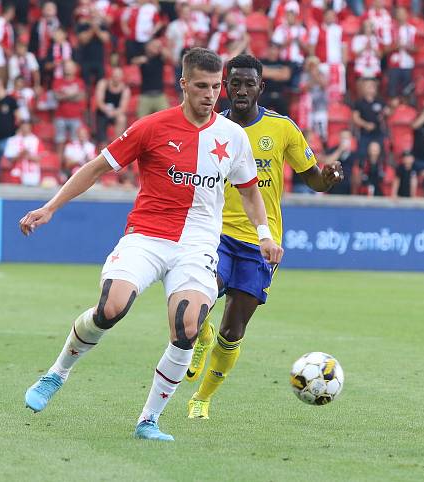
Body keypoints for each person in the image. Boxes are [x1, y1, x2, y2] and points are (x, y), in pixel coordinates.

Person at [20, 48, 282, 442]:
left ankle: (148, 420)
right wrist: (50, 207)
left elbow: (249, 192)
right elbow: (95, 168)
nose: (210, 94)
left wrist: (264, 234)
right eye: (201, 86)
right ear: (183, 85)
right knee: (111, 307)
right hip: (147, 235)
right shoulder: (152, 127)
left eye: (215, 87)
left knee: (188, 326)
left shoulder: (233, 138)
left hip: (197, 245)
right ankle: (57, 374)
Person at [184, 54, 342, 419]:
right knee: (196, 304)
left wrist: (329, 178)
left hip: (261, 243)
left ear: (260, 87)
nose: (240, 90)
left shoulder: (282, 128)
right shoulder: (210, 127)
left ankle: (202, 399)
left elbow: (313, 179)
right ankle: (200, 336)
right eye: (234, 83)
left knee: (234, 328)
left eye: (248, 84)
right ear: (225, 86)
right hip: (217, 234)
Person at [93, 66, 130, 143]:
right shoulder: (103, 83)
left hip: (115, 113)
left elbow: (123, 108)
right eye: (115, 75)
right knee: (102, 141)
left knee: (122, 119)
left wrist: (113, 113)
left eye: (118, 76)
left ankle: (116, 143)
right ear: (111, 75)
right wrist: (106, 110)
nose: (116, 78)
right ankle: (102, 142)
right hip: (102, 112)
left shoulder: (125, 89)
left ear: (122, 77)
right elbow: (99, 101)